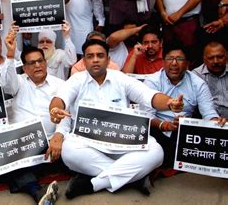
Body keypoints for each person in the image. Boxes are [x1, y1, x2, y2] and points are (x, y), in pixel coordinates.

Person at [48, 39, 185, 199]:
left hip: (123, 141)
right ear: (84, 61)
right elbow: (60, 99)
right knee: (69, 151)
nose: (95, 60)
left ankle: (93, 183)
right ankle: (134, 178)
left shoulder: (121, 78)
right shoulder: (76, 80)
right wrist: (55, 109)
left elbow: (149, 96)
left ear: (108, 59)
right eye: (90, 56)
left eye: (100, 55)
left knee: (156, 152)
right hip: (88, 143)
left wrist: (169, 103)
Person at [0, 28, 70, 204]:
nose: (37, 66)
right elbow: (6, 86)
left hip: (50, 142)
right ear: (24, 68)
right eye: (32, 63)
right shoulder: (18, 82)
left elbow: (66, 114)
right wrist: (10, 55)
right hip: (22, 142)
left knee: (74, 152)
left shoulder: (60, 85)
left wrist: (58, 136)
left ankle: (23, 180)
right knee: (9, 155)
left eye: (40, 61)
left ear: (45, 62)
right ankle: (38, 192)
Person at [144, 44, 226, 166]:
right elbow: (146, 116)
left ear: (188, 63)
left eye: (180, 59)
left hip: (183, 131)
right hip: (157, 128)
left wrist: (217, 122)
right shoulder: (152, 81)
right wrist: (165, 125)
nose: (174, 63)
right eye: (170, 58)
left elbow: (208, 113)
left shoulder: (198, 84)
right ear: (163, 61)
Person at [193, 41, 228, 117]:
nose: (216, 61)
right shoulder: (195, 76)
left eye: (220, 57)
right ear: (204, 59)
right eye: (211, 58)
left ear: (226, 56)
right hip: (207, 123)